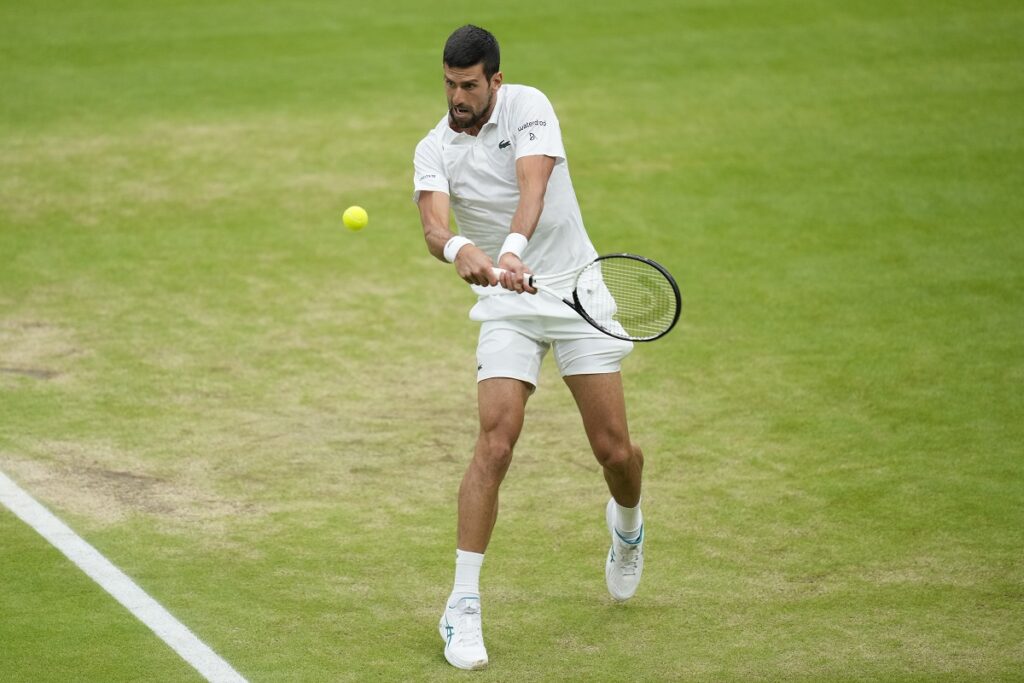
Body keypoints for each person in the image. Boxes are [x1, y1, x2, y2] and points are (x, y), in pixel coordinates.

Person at [413, 24, 646, 671]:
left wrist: (509, 249)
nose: (457, 96)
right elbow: (433, 223)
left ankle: (627, 524)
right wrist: (462, 249)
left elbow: (534, 187)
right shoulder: (433, 147)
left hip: (575, 291)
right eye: (449, 84)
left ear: (495, 80)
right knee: (495, 439)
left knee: (615, 450)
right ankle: (462, 603)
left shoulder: (530, 107)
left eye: (468, 85)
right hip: (509, 307)